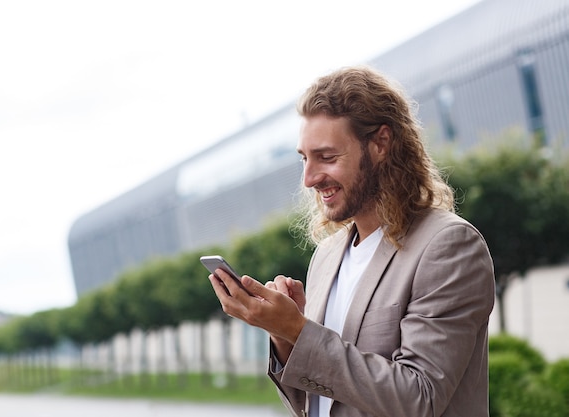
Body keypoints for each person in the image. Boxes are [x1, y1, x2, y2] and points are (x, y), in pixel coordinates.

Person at [207, 65, 495, 417]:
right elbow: (316, 401)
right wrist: (282, 334)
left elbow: (420, 398)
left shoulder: (447, 246)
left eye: (327, 157)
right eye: (304, 159)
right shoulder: (327, 256)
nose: (310, 178)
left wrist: (299, 331)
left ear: (380, 144)